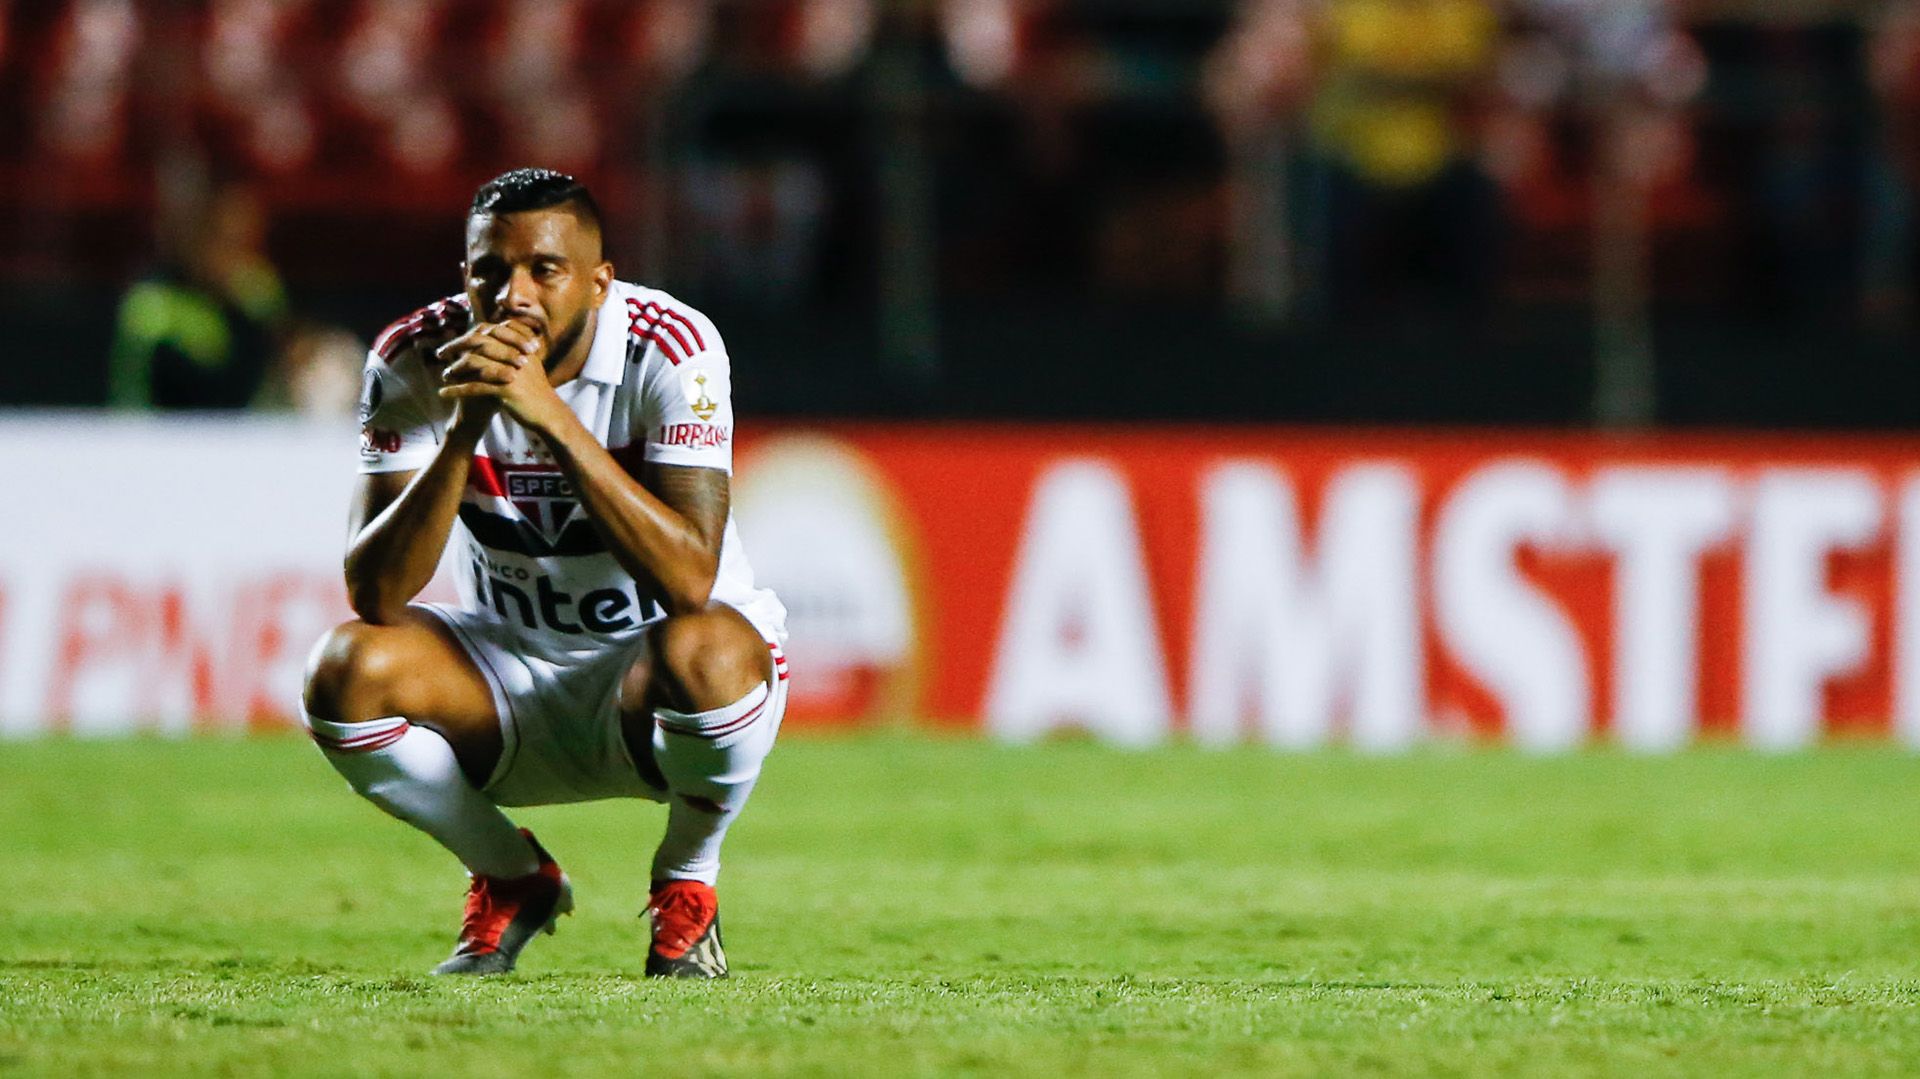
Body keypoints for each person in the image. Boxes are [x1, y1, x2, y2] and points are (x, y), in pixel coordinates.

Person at [300, 168, 789, 979]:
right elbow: (379, 594)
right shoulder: (416, 353)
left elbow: (689, 580)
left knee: (710, 651)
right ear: (464, 273)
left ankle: (688, 881)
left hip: (650, 672)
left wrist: (549, 417)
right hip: (505, 669)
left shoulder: (672, 346)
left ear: (600, 281)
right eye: (489, 270)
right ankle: (510, 874)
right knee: (344, 669)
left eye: (545, 270)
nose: (513, 294)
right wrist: (467, 429)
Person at [108, 182, 290, 410]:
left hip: (245, 437)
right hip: (165, 436)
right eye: (223, 239)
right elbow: (133, 393)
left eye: (244, 242)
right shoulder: (152, 299)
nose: (231, 255)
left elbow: (273, 383)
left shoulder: (259, 289)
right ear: (196, 237)